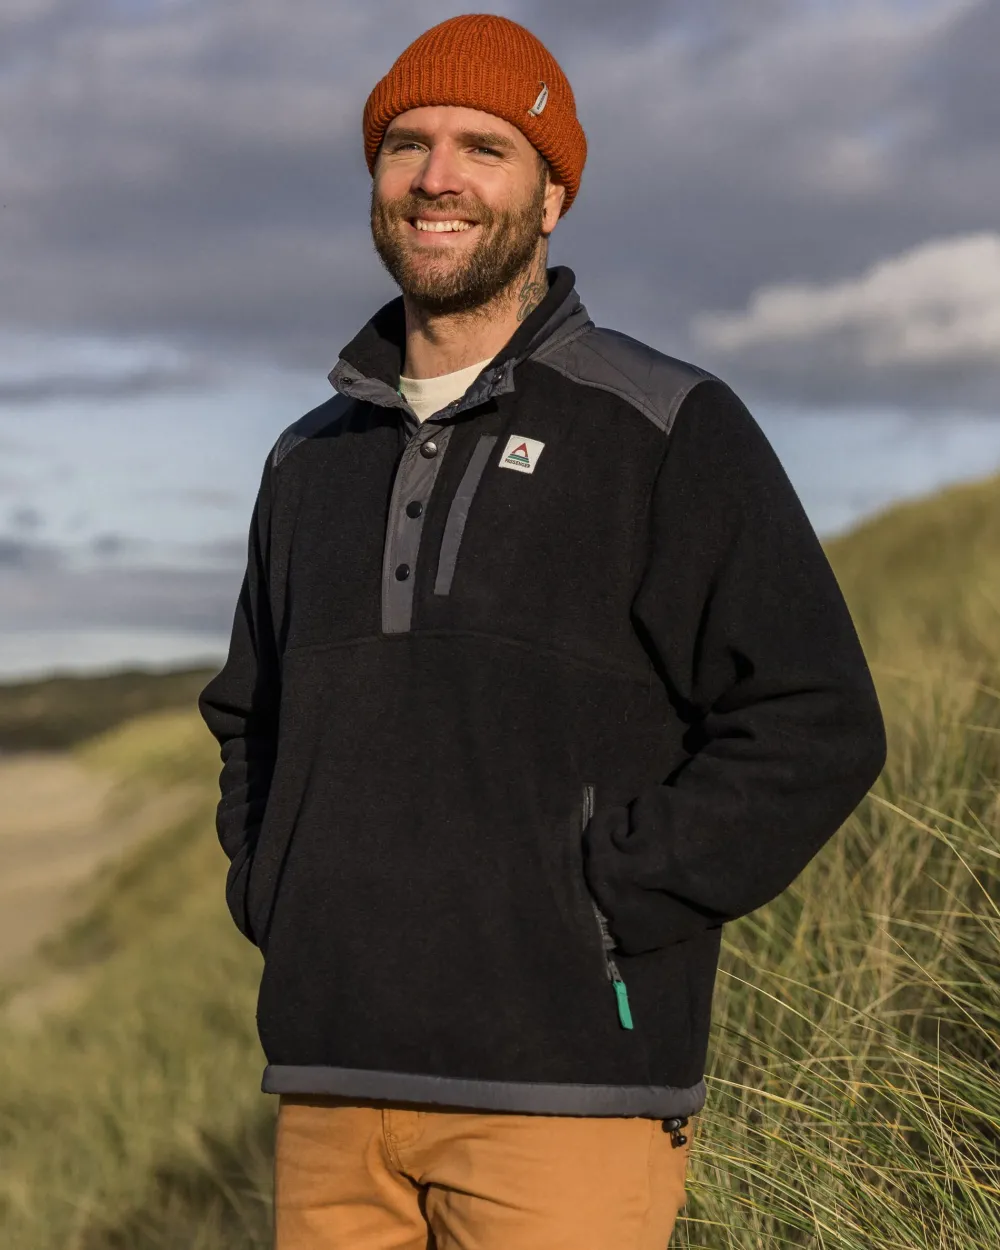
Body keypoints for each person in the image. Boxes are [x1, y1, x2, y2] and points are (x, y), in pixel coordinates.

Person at [197, 13, 887, 1249]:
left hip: (568, 1088)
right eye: (405, 145)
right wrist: (279, 893)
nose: (436, 178)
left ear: (552, 194)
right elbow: (250, 720)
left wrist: (603, 901)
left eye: (484, 148)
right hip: (329, 1088)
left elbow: (814, 718)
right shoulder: (307, 461)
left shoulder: (665, 425)